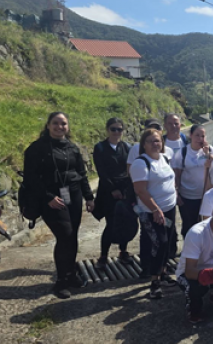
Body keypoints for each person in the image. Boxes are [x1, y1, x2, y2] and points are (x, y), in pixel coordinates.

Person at [24, 112, 94, 299]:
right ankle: (61, 280)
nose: (59, 127)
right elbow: (30, 178)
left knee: (73, 237)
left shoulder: (72, 148)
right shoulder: (36, 149)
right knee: (65, 235)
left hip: (74, 195)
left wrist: (88, 197)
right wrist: (48, 197)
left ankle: (71, 274)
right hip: (51, 199)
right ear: (48, 125)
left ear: (68, 127)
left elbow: (81, 173)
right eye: (55, 123)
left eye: (63, 123)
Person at [130, 128, 178, 300]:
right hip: (152, 212)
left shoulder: (164, 158)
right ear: (144, 144)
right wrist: (155, 210)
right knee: (160, 243)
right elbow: (140, 190)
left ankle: (163, 272)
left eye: (157, 140)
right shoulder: (140, 163)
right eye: (150, 141)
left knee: (168, 241)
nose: (155, 144)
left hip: (169, 208)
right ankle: (154, 282)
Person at [92, 117, 133, 269]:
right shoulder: (100, 148)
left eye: (119, 129)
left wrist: (125, 189)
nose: (116, 132)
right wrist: (113, 189)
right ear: (107, 130)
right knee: (111, 223)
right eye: (113, 129)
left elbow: (130, 169)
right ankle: (103, 256)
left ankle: (123, 251)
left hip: (124, 190)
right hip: (108, 192)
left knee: (125, 221)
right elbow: (102, 172)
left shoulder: (127, 147)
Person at [172, 124, 213, 239]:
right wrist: (177, 193)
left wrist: (208, 155)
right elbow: (176, 175)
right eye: (197, 135)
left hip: (206, 195)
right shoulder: (182, 153)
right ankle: (187, 250)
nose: (200, 139)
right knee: (188, 225)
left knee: (205, 224)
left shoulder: (210, 150)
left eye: (203, 136)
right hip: (187, 196)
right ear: (190, 135)